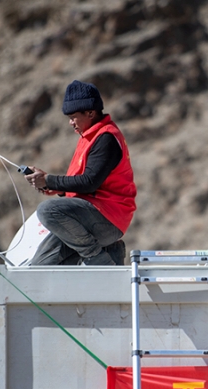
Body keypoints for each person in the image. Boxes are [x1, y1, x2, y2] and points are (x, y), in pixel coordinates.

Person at [24, 80, 136, 265]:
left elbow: (89, 182)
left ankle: (98, 258)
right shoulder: (89, 137)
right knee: (40, 267)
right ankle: (110, 251)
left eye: (73, 117)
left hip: (108, 217)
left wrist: (49, 180)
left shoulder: (105, 138)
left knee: (47, 210)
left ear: (91, 112)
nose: (70, 123)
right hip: (88, 219)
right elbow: (84, 185)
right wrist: (56, 189)